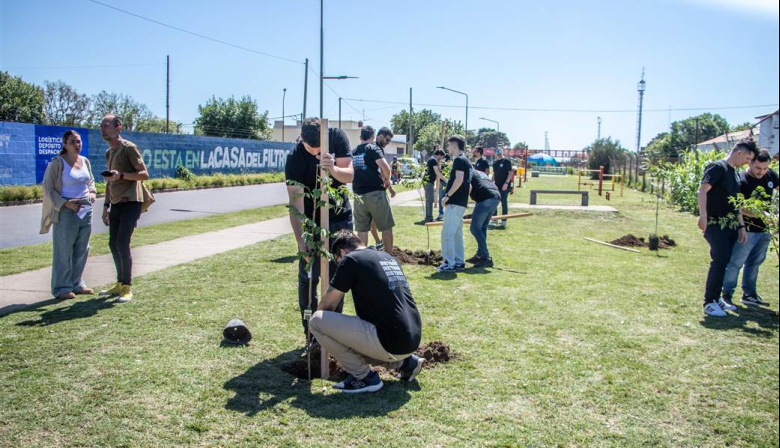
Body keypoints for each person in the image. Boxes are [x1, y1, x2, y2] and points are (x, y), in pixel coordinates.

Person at [308, 230, 423, 393]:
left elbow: (327, 305)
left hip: (389, 341)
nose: (339, 264)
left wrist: (317, 336)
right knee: (356, 334)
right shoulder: (387, 257)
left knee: (317, 321)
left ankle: (364, 378)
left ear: (342, 252)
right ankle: (405, 363)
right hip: (411, 339)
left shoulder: (351, 259)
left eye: (337, 260)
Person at [285, 117, 354, 336]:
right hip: (311, 223)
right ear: (301, 139)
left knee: (338, 276)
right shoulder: (294, 158)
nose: (315, 153)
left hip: (340, 218)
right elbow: (296, 203)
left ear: (325, 139)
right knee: (309, 276)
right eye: (310, 148)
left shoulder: (337, 137)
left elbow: (349, 175)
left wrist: (332, 168)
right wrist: (302, 240)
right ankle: (311, 333)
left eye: (319, 149)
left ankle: (334, 331)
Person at [697, 139, 758, 317]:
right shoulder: (718, 167)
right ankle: (709, 302)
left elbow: (736, 203)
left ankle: (717, 299)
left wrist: (741, 226)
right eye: (747, 158)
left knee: (725, 262)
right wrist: (703, 216)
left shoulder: (734, 173)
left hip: (731, 225)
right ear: (739, 153)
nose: (747, 163)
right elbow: (703, 190)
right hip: (716, 224)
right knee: (719, 260)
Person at [40, 130, 97, 300]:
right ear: (64, 144)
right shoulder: (57, 163)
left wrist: (92, 193)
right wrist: (65, 203)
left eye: (79, 142)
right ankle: (61, 287)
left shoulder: (85, 161)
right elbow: (48, 188)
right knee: (63, 250)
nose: (77, 145)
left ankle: (77, 283)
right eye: (73, 142)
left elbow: (90, 181)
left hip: (85, 209)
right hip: (66, 210)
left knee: (82, 248)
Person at [98, 115, 149, 303]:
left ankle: (127, 287)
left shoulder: (129, 148)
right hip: (116, 203)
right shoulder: (109, 153)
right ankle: (119, 283)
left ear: (118, 128)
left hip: (131, 202)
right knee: (113, 244)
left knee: (122, 244)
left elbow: (144, 174)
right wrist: (105, 206)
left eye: (106, 125)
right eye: (101, 126)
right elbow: (109, 183)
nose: (102, 129)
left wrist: (122, 176)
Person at [721, 148, 778, 307]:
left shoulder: (770, 175)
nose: (762, 172)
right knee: (735, 263)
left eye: (765, 168)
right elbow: (737, 206)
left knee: (755, 263)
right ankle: (726, 294)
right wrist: (760, 215)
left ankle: (749, 294)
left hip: (765, 230)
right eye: (758, 168)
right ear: (750, 162)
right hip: (746, 229)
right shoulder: (741, 180)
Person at [352, 125, 396, 253]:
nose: (387, 143)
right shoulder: (373, 148)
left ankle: (362, 259)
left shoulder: (353, 151)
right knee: (386, 227)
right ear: (374, 137)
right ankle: (388, 257)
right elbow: (386, 168)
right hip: (375, 194)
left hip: (358, 195)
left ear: (360, 137)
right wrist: (387, 180)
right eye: (387, 140)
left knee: (362, 230)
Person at [438, 135, 473, 272]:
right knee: (456, 234)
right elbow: (468, 186)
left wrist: (447, 196)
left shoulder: (459, 160)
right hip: (461, 202)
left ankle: (449, 262)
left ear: (454, 144)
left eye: (448, 145)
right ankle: (459, 261)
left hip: (455, 202)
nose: (448, 149)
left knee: (447, 233)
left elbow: (459, 180)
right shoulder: (467, 161)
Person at [467, 170, 500, 268]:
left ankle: (486, 257)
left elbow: (469, 187)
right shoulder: (479, 173)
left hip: (486, 198)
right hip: (495, 196)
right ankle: (480, 255)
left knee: (475, 229)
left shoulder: (467, 173)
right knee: (482, 228)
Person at [491, 148, 514, 227]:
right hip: (496, 185)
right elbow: (494, 173)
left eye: (499, 153)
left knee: (503, 202)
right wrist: (491, 182)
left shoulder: (506, 161)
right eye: (497, 153)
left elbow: (510, 173)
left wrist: (506, 183)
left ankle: (504, 221)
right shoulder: (495, 162)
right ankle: (494, 219)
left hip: (504, 185)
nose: (498, 155)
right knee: (494, 202)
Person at [423, 149, 446, 223]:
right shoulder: (433, 160)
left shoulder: (432, 160)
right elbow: (437, 172)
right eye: (441, 157)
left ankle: (428, 217)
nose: (441, 159)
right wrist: (445, 180)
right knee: (430, 200)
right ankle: (429, 218)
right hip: (428, 182)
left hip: (429, 182)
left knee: (429, 200)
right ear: (439, 155)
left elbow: (435, 173)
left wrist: (438, 183)